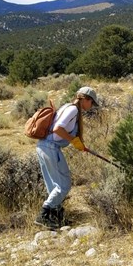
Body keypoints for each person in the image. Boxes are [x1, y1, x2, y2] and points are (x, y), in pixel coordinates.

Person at [34, 86, 99, 229]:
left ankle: (56, 216)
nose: (92, 106)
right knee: (64, 184)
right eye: (92, 103)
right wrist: (73, 140)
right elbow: (58, 129)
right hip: (50, 147)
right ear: (85, 99)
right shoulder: (73, 109)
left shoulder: (69, 107)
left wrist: (77, 143)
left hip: (44, 146)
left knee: (54, 185)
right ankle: (43, 214)